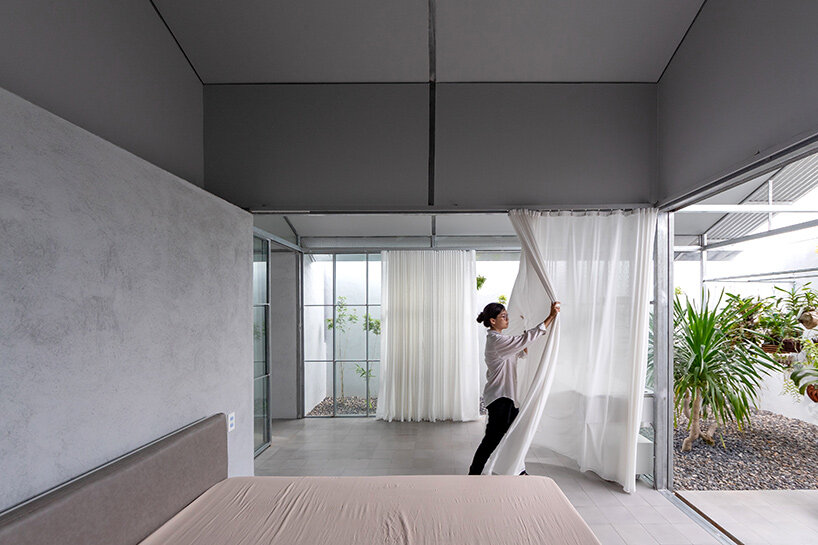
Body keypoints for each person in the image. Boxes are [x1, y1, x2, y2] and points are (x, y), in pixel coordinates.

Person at [468, 300, 560, 475]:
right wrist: (550, 317)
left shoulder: (501, 340)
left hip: (506, 397)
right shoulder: (496, 341)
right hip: (499, 398)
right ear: (493, 321)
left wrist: (526, 333)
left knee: (515, 436)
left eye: (507, 315)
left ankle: (517, 469)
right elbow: (522, 341)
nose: (507, 319)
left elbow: (521, 349)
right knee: (492, 440)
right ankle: (474, 474)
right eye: (503, 316)